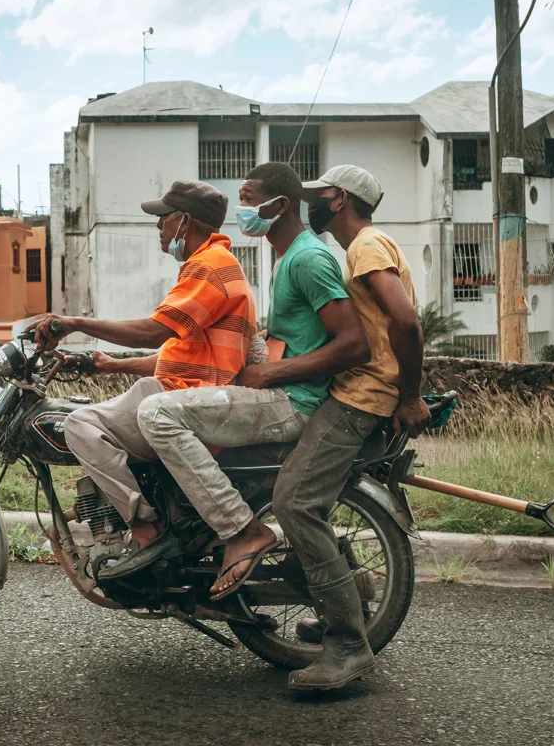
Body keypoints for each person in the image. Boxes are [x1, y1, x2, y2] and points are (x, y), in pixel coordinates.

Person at [106, 161, 372, 595]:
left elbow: (354, 344)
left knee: (156, 413)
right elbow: (290, 338)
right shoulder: (285, 258)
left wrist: (272, 372)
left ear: (280, 206)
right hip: (279, 391)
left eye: (249, 200)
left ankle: (242, 530)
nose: (241, 210)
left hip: (293, 401)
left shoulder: (307, 258)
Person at [28, 179, 257, 557]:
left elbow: (153, 333)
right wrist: (110, 366)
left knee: (78, 425)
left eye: (164, 217)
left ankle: (142, 525)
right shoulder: (217, 264)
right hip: (189, 392)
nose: (159, 225)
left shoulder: (208, 266)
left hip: (182, 399)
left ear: (185, 221)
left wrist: (75, 323)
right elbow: (183, 356)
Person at [273, 164, 429, 692]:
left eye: (317, 195)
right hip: (361, 392)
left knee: (295, 502)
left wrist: (409, 395)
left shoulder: (365, 246)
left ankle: (347, 645)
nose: (309, 204)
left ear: (339, 199)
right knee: (310, 497)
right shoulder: (360, 249)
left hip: (361, 397)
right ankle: (348, 611)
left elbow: (406, 321)